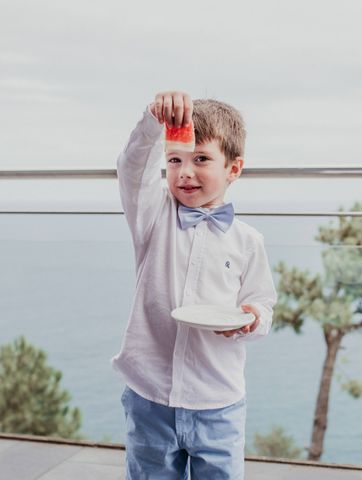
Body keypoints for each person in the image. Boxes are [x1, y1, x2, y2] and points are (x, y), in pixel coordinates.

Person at [111, 90, 277, 479]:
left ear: (233, 169)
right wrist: (154, 120)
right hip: (150, 396)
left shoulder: (248, 241)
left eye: (201, 159)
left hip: (217, 401)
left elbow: (261, 304)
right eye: (174, 160)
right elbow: (131, 166)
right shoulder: (151, 216)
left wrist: (252, 318)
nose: (185, 172)